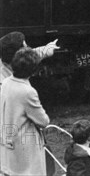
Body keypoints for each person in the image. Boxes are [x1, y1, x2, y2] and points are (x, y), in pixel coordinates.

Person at [0, 47, 50, 176]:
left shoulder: (5, 82)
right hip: (25, 145)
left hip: (8, 140)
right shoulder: (27, 92)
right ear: (33, 71)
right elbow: (43, 121)